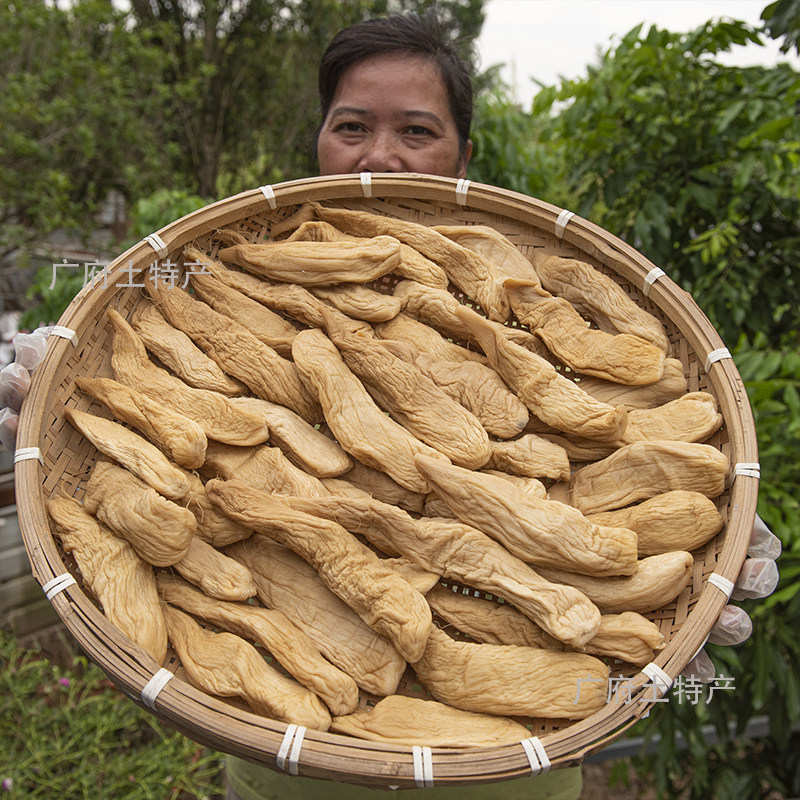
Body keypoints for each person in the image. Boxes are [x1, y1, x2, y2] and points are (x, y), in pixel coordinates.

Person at [0, 11, 780, 800]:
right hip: (283, 777)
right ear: (317, 141)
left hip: (517, 781)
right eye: (351, 126)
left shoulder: (515, 282)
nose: (380, 153)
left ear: (464, 155)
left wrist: (703, 561)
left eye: (416, 129)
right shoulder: (222, 267)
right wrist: (48, 403)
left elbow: (629, 419)